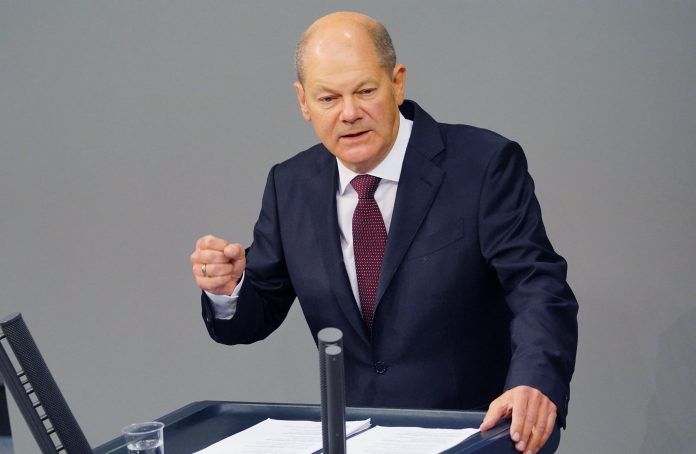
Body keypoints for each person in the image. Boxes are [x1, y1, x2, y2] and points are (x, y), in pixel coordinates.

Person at [190, 11, 577, 453]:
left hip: (476, 433)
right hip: (359, 440)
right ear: (303, 102)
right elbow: (254, 314)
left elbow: (538, 286)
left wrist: (534, 382)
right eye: (328, 98)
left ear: (397, 82)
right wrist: (229, 290)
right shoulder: (290, 185)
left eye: (365, 91)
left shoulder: (482, 164)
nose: (349, 113)